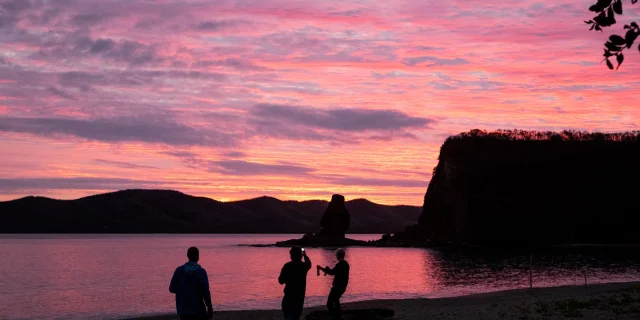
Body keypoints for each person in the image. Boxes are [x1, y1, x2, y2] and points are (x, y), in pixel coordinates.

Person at [169, 247, 213, 320]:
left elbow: (171, 288)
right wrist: (210, 307)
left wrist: (183, 290)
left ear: (187, 256)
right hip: (198, 309)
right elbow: (206, 293)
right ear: (198, 257)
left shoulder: (179, 270)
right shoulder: (201, 272)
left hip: (183, 308)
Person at [278, 247, 312, 320]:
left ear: (291, 256)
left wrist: (287, 279)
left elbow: (280, 281)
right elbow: (309, 263)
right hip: (299, 298)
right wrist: (305, 255)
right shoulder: (303, 266)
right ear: (301, 256)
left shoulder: (287, 266)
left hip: (288, 297)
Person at [317, 248, 350, 320]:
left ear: (338, 255)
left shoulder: (340, 264)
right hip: (342, 287)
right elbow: (335, 272)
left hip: (337, 287)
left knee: (329, 304)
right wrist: (328, 270)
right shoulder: (346, 264)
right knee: (336, 300)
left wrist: (321, 268)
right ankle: (337, 316)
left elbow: (332, 273)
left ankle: (336, 316)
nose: (336, 256)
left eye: (336, 255)